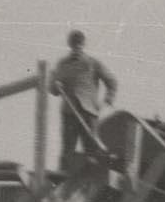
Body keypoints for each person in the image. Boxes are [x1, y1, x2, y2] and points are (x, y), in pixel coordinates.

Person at [49, 30, 118, 164]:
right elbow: (53, 89)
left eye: (79, 44)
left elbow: (112, 82)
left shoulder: (93, 63)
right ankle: (62, 178)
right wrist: (54, 85)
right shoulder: (62, 64)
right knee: (67, 150)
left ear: (83, 44)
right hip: (69, 112)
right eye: (74, 44)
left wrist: (107, 101)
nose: (77, 47)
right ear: (70, 45)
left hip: (89, 112)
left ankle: (93, 179)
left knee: (91, 149)